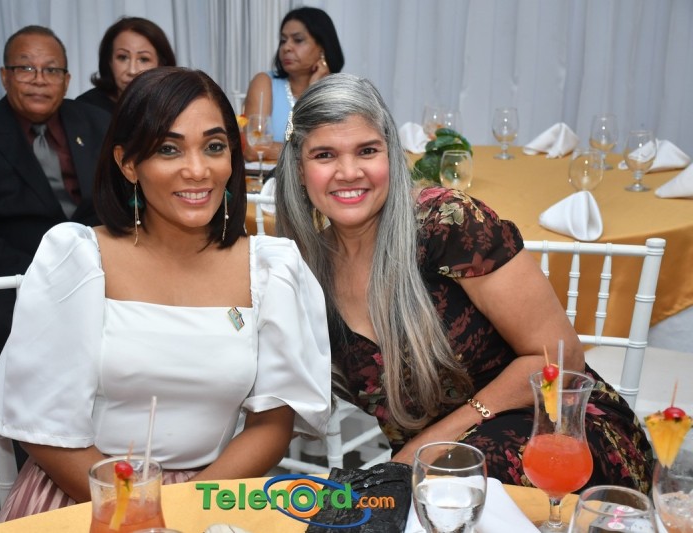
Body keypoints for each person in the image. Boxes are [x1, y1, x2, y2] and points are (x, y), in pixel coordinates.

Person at [0, 67, 331, 522]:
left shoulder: (269, 270)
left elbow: (271, 424)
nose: (197, 170)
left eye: (214, 146)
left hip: (211, 494)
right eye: (168, 149)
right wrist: (138, 512)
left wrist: (183, 512)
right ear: (127, 163)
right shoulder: (79, 260)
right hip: (86, 493)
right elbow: (42, 427)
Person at [274, 73, 654, 494]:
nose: (349, 172)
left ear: (391, 155)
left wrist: (431, 444)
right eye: (325, 155)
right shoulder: (307, 272)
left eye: (367, 150)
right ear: (299, 169)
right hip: (434, 471)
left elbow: (560, 359)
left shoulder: (446, 223)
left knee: (457, 486)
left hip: (559, 433)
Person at [0, 25, 110, 524]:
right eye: (26, 68)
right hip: (11, 271)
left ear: (67, 78)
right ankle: (25, 469)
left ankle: (112, 450)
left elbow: (120, 207)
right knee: (0, 329)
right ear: (4, 75)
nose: (39, 79)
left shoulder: (98, 124)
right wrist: (50, 277)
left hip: (100, 263)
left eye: (51, 69)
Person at [242, 6, 343, 162]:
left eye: (298, 40)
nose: (286, 47)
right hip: (272, 177)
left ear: (322, 48)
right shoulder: (264, 82)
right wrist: (310, 154)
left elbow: (338, 151)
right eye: (283, 40)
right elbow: (252, 149)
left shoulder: (341, 91)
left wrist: (314, 90)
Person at [76, 16, 176, 113]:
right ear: (109, 61)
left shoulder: (175, 107)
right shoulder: (86, 108)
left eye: (143, 59)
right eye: (122, 57)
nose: (132, 71)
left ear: (161, 65)